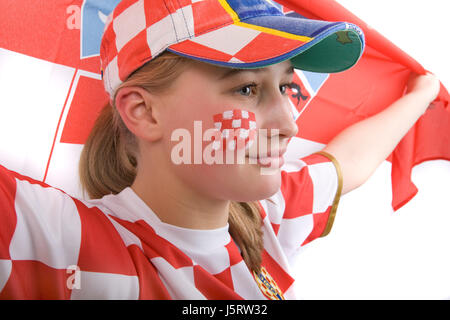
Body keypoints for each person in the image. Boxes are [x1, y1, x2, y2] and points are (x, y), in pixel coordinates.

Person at [0, 0, 440, 299]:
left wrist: (423, 94)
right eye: (247, 88)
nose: (288, 123)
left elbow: (348, 162)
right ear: (144, 113)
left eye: (286, 86)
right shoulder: (59, 240)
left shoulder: (264, 220)